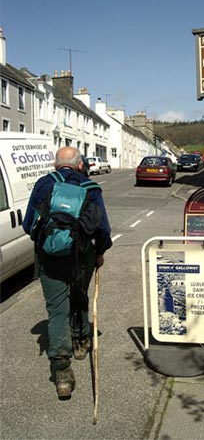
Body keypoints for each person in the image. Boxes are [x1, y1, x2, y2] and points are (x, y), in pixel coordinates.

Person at [23, 146, 112, 400]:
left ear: (55, 165)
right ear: (81, 165)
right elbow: (103, 228)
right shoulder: (91, 189)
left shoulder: (43, 185)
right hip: (81, 255)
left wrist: (47, 243)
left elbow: (28, 223)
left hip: (49, 258)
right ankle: (82, 342)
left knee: (57, 309)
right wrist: (100, 252)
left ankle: (62, 372)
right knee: (80, 295)